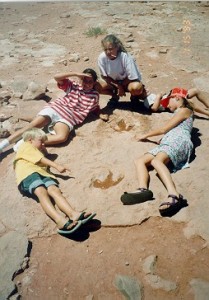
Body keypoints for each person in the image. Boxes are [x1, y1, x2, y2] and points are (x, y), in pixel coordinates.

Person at [121, 89, 194, 217]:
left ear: (177, 98)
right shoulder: (179, 112)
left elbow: (164, 129)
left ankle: (175, 195)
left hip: (179, 141)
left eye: (168, 101)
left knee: (156, 161)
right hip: (169, 141)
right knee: (140, 161)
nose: (166, 105)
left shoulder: (185, 110)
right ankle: (143, 189)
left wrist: (145, 135)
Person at [13, 128, 96, 235]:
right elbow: (40, 159)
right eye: (41, 141)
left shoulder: (35, 150)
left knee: (54, 190)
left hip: (43, 173)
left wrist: (41, 147)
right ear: (30, 140)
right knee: (41, 192)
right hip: (28, 173)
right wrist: (57, 166)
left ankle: (72, 213)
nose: (43, 144)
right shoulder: (25, 146)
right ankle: (60, 220)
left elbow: (41, 156)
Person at [0, 68, 100, 153]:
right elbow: (56, 77)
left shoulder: (95, 95)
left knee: (62, 137)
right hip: (56, 109)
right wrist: (75, 74)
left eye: (90, 81)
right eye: (84, 80)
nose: (87, 83)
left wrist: (100, 113)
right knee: (32, 126)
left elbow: (94, 107)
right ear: (80, 79)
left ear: (94, 82)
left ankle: (27, 142)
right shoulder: (73, 85)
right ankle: (3, 145)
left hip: (68, 118)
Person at [95, 34, 148, 108]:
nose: (108, 52)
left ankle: (134, 97)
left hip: (127, 83)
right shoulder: (102, 58)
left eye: (110, 49)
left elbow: (131, 77)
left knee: (136, 88)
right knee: (95, 86)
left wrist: (121, 86)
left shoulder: (125, 56)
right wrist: (118, 86)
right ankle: (114, 97)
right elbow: (104, 76)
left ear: (117, 47)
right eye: (105, 49)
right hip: (113, 83)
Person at [143, 87, 209, 117]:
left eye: (144, 87)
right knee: (189, 102)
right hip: (171, 104)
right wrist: (158, 97)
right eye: (143, 91)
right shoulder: (146, 101)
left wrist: (162, 95)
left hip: (171, 97)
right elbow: (154, 108)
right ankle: (207, 113)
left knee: (195, 90)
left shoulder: (150, 95)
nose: (145, 89)